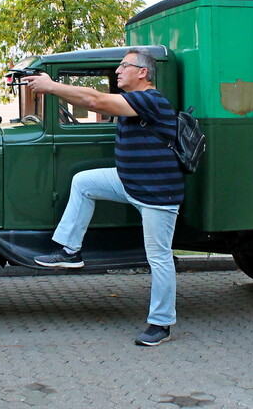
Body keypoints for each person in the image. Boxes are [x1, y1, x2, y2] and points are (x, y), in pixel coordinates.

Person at [23, 48, 184, 347]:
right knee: (84, 182)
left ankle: (161, 323)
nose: (118, 71)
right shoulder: (132, 100)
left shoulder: (151, 99)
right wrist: (54, 89)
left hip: (156, 193)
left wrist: (51, 86)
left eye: (124, 66)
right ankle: (71, 251)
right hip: (129, 181)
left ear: (143, 72)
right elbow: (88, 95)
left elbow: (94, 100)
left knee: (159, 258)